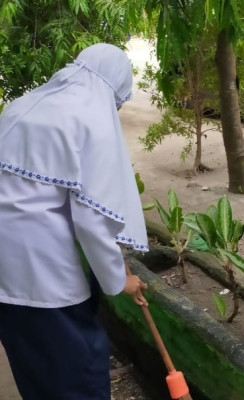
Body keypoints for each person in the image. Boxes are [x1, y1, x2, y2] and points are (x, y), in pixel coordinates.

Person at [0, 43, 149, 399]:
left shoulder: (24, 106)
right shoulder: (90, 120)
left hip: (4, 273)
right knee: (79, 368)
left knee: (33, 363)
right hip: (41, 271)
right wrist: (120, 280)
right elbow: (92, 220)